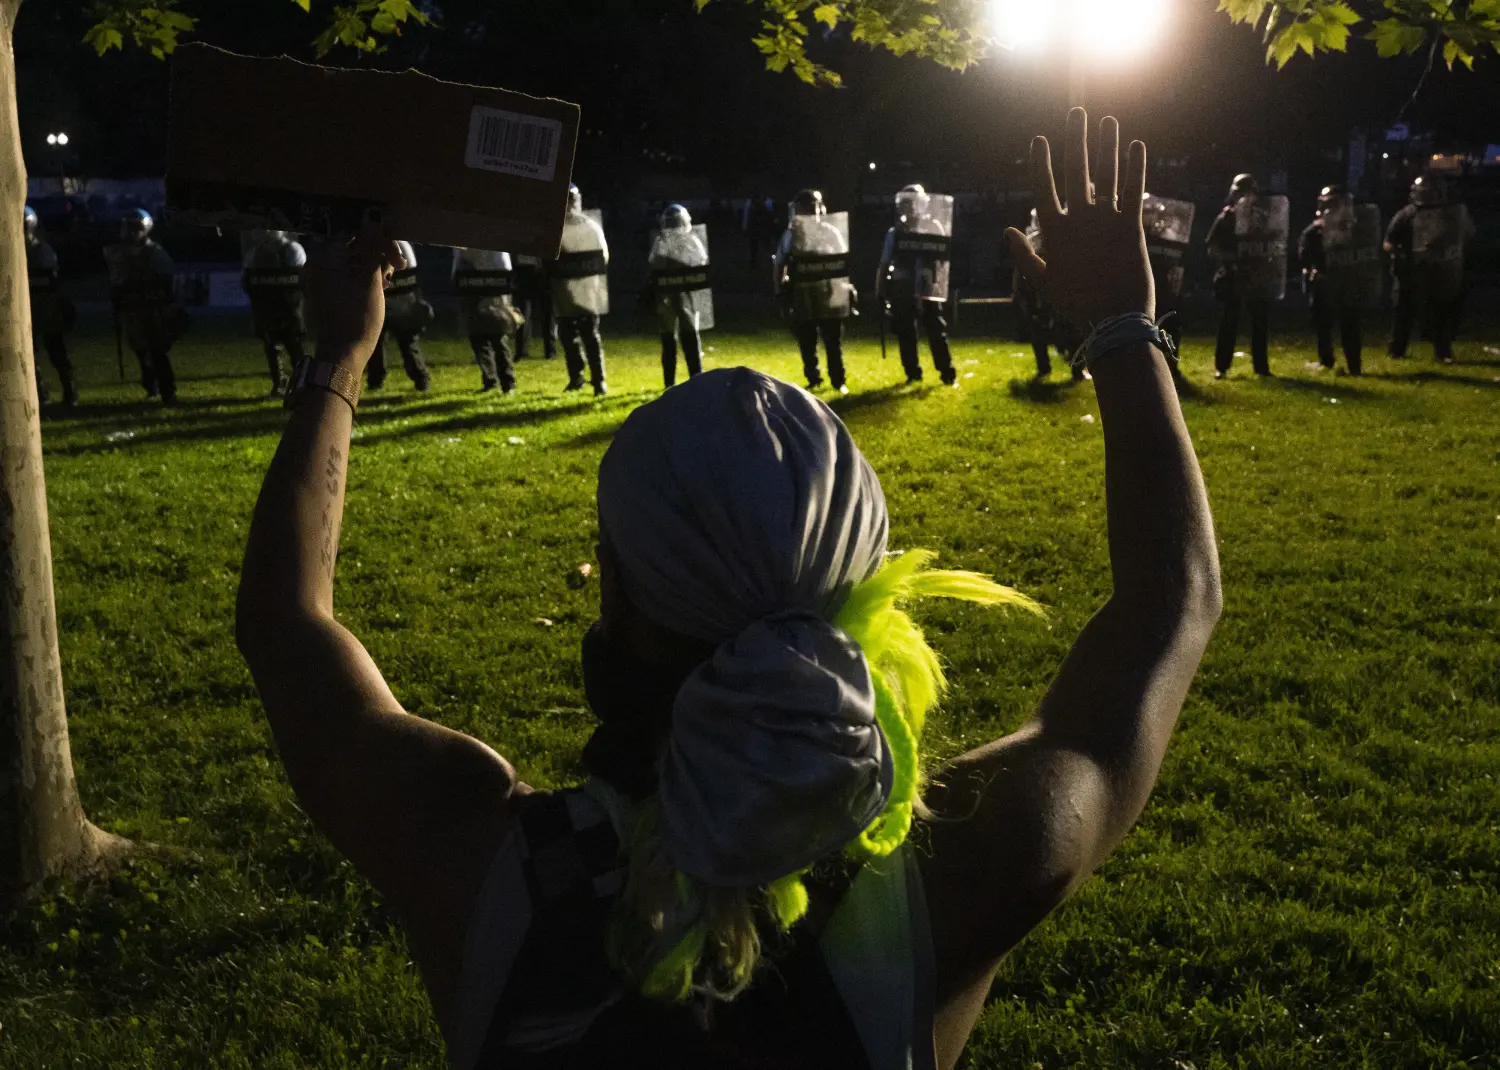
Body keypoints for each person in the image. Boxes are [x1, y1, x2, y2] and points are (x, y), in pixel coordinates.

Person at [236, 109, 1220, 1069]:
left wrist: (339, 356)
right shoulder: (955, 872)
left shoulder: (472, 856)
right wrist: (1124, 327)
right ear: (863, 593)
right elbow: (1170, 604)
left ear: (615, 596)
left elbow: (285, 627)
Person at [1385, 175, 1475, 364]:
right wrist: (1401, 256)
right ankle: (1397, 350)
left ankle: (1442, 352)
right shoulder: (1407, 215)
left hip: (1439, 272)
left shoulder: (1452, 215)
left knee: (1440, 313)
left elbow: (1465, 237)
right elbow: (1388, 242)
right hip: (1410, 273)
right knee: (1404, 313)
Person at [774, 189, 856, 394]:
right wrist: (781, 294)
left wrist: (845, 288)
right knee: (807, 339)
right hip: (802, 293)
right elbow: (779, 264)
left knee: (832, 339)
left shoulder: (830, 231)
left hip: (827, 291)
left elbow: (841, 263)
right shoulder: (792, 234)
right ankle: (814, 377)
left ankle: (838, 380)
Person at [1205, 174, 1286, 379]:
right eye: (1241, 193)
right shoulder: (1227, 217)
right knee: (1229, 322)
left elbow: (1274, 246)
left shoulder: (1263, 219)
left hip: (1257, 277)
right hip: (1233, 276)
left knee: (1260, 322)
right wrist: (1233, 258)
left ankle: (1262, 368)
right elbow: (1212, 248)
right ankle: (1221, 367)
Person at [877, 185, 957, 387]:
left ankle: (947, 372)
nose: (911, 208)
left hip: (927, 285)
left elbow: (942, 260)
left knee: (936, 329)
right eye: (907, 203)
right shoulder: (895, 233)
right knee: (906, 331)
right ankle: (913, 373)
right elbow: (885, 263)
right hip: (903, 287)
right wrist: (881, 290)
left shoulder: (934, 226)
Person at [1298, 185, 1378, 376]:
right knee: (1325, 324)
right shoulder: (1314, 232)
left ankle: (1353, 365)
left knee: (1349, 323)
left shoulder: (1357, 230)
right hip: (1325, 283)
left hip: (1348, 282)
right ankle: (1329, 361)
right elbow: (1304, 257)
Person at [105, 208, 183, 404]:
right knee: (140, 349)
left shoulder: (155, 253)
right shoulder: (119, 255)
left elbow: (167, 282)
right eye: (128, 229)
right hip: (132, 309)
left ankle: (168, 390)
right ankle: (150, 384)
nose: (130, 233)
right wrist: (117, 300)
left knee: (157, 351)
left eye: (135, 229)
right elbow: (117, 282)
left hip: (152, 308)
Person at [551, 184, 610, 396]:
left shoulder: (574, 227)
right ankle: (588, 380)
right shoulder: (589, 226)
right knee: (581, 336)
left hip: (574, 291)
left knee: (580, 336)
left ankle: (590, 380)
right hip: (577, 290)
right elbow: (604, 257)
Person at [1014, 208, 1085, 382]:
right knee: (1039, 330)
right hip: (1038, 292)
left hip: (1059, 290)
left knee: (1071, 331)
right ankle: (1044, 367)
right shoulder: (1033, 241)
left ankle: (1077, 368)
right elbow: (1021, 270)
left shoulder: (1062, 239)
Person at [649, 204, 713, 389]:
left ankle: (690, 379)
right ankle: (679, 380)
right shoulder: (664, 242)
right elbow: (655, 265)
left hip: (682, 296)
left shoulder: (688, 241)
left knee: (685, 338)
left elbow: (700, 265)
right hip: (671, 297)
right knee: (675, 339)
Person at [243, 230, 309, 396]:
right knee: (284, 347)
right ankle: (296, 383)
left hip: (274, 309)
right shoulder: (292, 250)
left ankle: (286, 383)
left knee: (280, 347)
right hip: (288, 309)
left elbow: (247, 283)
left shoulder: (258, 253)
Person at [24, 205, 78, 408]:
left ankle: (70, 391)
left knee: (55, 349)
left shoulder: (40, 249)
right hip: (28, 306)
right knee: (29, 352)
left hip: (46, 305)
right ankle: (39, 392)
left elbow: (49, 278)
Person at [453, 248, 523, 393]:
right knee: (485, 335)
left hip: (483, 279)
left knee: (493, 333)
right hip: (485, 278)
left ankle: (502, 381)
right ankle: (499, 381)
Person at [367, 239, 432, 392]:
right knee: (407, 343)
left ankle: (376, 382)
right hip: (403, 302)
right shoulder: (405, 245)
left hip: (387, 302)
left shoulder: (386, 245)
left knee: (377, 344)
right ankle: (421, 379)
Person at [513, 254, 556, 361]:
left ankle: (521, 351)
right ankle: (550, 350)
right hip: (539, 266)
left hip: (524, 266)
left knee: (524, 311)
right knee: (546, 312)